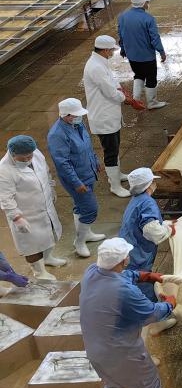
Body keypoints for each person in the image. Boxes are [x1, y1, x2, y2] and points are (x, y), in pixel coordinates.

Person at [80, 237, 177, 388]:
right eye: (126, 257)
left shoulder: (91, 272)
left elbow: (121, 276)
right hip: (122, 351)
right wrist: (170, 303)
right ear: (122, 261)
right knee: (148, 380)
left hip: (95, 350)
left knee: (113, 383)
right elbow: (150, 313)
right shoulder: (123, 291)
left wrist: (144, 276)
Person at [0, 135, 73, 279]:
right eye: (23, 158)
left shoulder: (36, 154)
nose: (28, 160)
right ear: (13, 154)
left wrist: (51, 188)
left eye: (30, 156)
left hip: (45, 206)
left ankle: (48, 258)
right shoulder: (4, 170)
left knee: (49, 233)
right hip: (26, 214)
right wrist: (17, 217)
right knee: (31, 245)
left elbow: (45, 172)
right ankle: (39, 272)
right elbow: (5, 198)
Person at [47, 98, 105, 267]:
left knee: (81, 207)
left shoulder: (78, 124)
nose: (80, 117)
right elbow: (62, 162)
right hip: (76, 178)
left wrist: (95, 160)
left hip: (87, 171)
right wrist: (77, 182)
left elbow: (87, 145)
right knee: (90, 209)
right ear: (66, 115)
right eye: (76, 115)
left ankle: (86, 233)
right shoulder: (57, 135)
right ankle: (79, 242)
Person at [83, 34, 133, 202]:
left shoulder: (100, 62)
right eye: (111, 50)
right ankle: (115, 185)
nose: (113, 53)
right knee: (110, 151)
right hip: (103, 116)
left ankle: (117, 174)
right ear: (105, 50)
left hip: (109, 114)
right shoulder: (95, 67)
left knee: (115, 147)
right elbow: (110, 92)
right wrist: (127, 100)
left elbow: (112, 83)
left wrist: (121, 90)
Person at [119, 167, 175, 318]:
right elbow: (152, 232)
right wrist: (169, 230)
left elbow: (147, 222)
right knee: (142, 280)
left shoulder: (137, 200)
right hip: (137, 253)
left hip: (129, 247)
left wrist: (166, 223)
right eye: (152, 182)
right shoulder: (147, 203)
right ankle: (154, 318)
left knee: (133, 280)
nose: (154, 184)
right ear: (148, 185)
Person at [117, 0, 168, 110]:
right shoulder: (148, 18)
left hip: (131, 55)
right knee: (151, 78)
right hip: (146, 56)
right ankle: (152, 102)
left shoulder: (123, 17)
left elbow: (121, 35)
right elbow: (154, 37)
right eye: (147, 2)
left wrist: (123, 49)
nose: (148, 4)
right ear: (143, 3)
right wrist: (161, 51)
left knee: (138, 75)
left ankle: (136, 99)